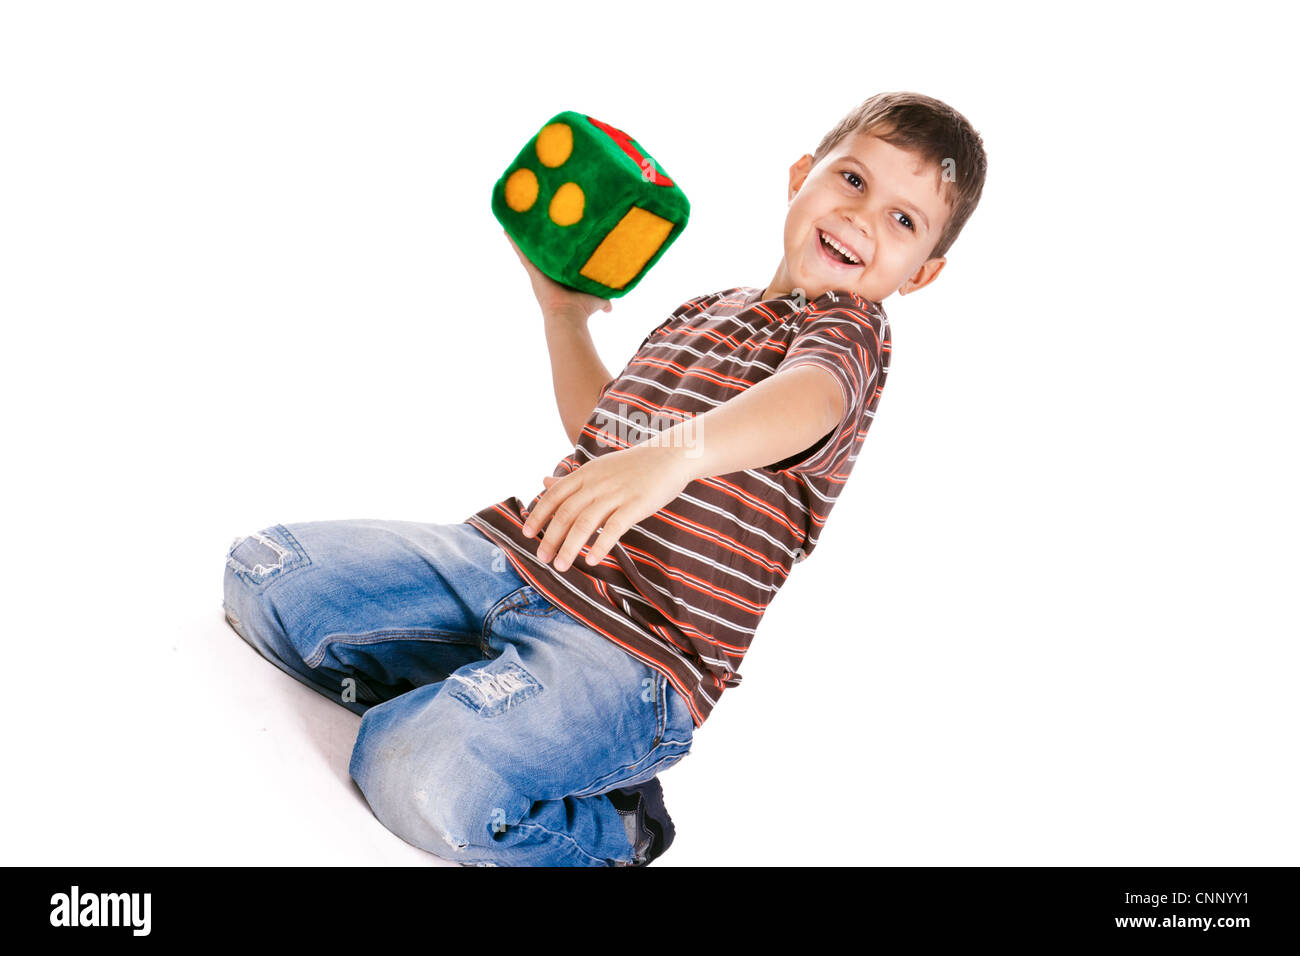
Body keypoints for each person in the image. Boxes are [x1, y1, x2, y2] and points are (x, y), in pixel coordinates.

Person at [222, 91, 988, 866]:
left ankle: (615, 824)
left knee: (416, 771)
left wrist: (677, 455)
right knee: (266, 573)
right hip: (520, 557)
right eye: (853, 179)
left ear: (922, 274)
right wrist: (565, 316)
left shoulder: (851, 332)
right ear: (801, 175)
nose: (862, 217)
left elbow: (808, 402)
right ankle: (488, 702)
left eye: (903, 219)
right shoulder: (706, 309)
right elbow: (607, 432)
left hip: (630, 655)